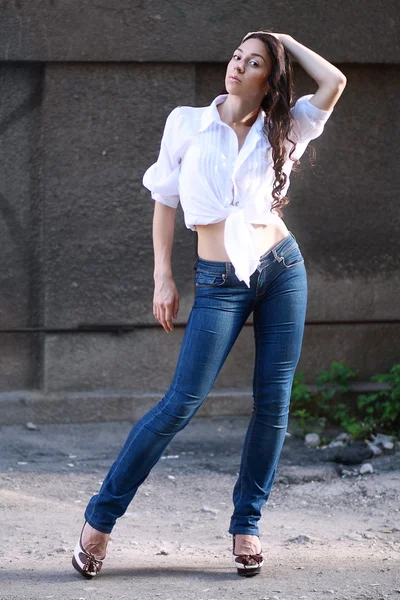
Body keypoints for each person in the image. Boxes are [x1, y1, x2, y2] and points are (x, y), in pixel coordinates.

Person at [72, 30, 346, 579]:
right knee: (180, 403)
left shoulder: (285, 126)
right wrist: (162, 279)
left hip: (282, 269)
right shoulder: (186, 122)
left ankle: (248, 526)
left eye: (254, 62)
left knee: (273, 403)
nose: (239, 67)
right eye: (237, 57)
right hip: (218, 280)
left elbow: (335, 81)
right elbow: (164, 200)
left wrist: (284, 40)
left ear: (270, 76)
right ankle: (99, 522)